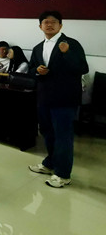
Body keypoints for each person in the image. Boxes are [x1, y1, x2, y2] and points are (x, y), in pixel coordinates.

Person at [28, 11, 88, 188]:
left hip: (65, 98)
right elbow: (31, 69)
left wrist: (67, 53)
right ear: (40, 26)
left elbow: (82, 68)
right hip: (44, 97)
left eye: (53, 22)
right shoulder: (38, 47)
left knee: (63, 135)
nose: (49, 25)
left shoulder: (71, 44)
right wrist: (37, 71)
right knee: (47, 132)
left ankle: (63, 174)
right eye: (45, 22)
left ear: (60, 25)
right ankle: (50, 163)